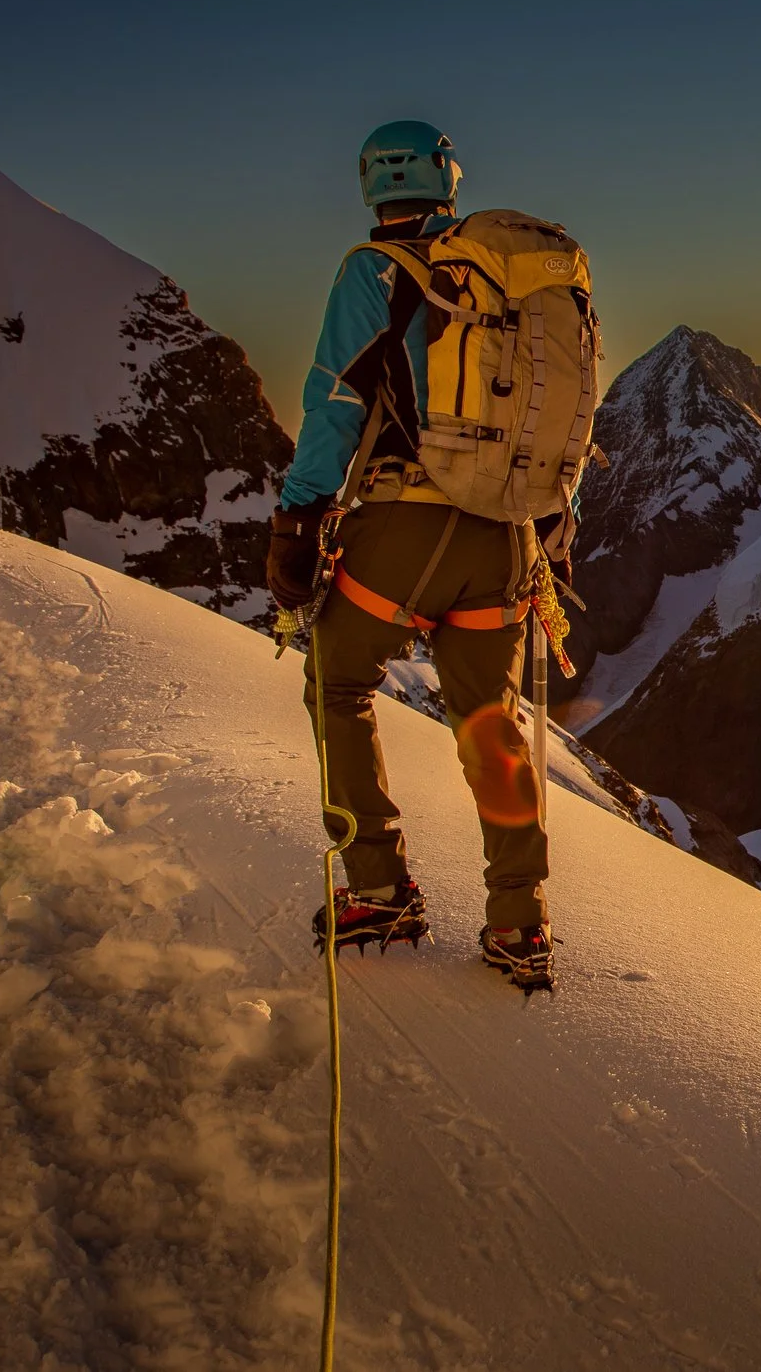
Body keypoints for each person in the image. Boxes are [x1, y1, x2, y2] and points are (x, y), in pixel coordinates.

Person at [267, 120, 598, 991]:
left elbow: (336, 397)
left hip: (406, 526)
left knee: (337, 683)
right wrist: (550, 532)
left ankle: (379, 886)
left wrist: (299, 517)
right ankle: (520, 923)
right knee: (489, 718)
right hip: (505, 536)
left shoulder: (372, 273)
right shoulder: (514, 285)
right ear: (450, 181)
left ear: (372, 186)